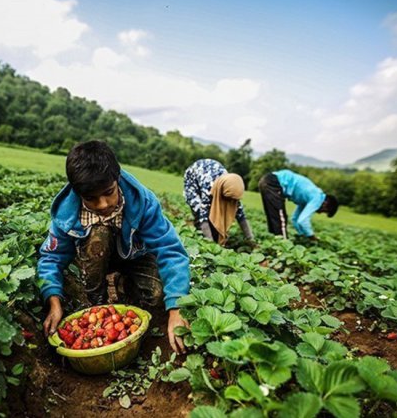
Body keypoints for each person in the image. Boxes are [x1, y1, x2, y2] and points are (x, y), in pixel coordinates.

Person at [39, 141, 191, 354]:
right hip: (95, 257)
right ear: (77, 193)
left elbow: (170, 249)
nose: (102, 204)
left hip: (136, 254)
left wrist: (176, 308)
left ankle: (125, 284)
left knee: (155, 295)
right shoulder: (66, 213)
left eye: (108, 192)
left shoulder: (143, 202)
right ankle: (96, 303)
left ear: (117, 179)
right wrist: (54, 301)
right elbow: (51, 258)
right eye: (91, 198)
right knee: (97, 234)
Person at [183, 159, 255, 245]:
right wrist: (211, 244)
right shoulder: (208, 188)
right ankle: (200, 240)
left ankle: (215, 234)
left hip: (214, 176)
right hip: (193, 179)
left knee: (218, 219)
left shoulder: (231, 187)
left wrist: (251, 239)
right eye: (229, 199)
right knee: (199, 212)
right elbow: (203, 219)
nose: (231, 202)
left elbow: (241, 216)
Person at [258, 169, 338, 240]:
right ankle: (282, 245)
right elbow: (303, 221)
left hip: (266, 180)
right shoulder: (318, 198)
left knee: (273, 216)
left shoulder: (307, 199)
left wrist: (302, 235)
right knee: (280, 219)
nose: (319, 212)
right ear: (326, 204)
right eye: (324, 211)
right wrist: (312, 236)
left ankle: (273, 241)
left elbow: (295, 219)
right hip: (275, 183)